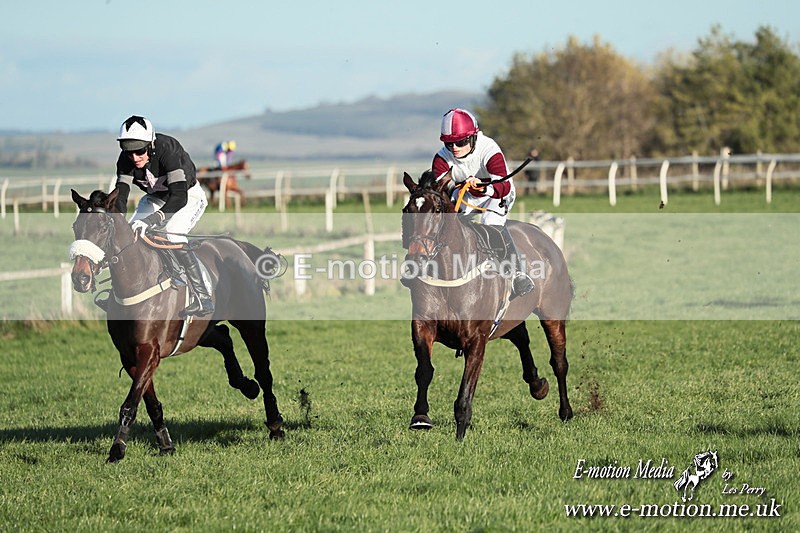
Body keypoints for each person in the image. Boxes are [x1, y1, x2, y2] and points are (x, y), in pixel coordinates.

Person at [114, 115, 214, 317]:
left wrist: (152, 220)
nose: (134, 157)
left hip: (187, 196)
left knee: (172, 233)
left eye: (139, 151)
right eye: (129, 151)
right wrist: (116, 222)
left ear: (151, 144)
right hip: (156, 198)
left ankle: (203, 296)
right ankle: (121, 295)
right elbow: (121, 197)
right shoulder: (125, 160)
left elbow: (179, 197)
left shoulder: (168, 150)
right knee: (128, 236)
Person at [431, 108, 534, 298]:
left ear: (473, 137)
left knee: (489, 221)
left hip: (496, 194)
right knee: (446, 223)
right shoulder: (441, 159)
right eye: (449, 143)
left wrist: (482, 188)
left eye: (460, 142)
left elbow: (503, 186)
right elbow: (441, 192)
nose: (454, 148)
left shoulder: (489, 149)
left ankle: (518, 274)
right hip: (466, 195)